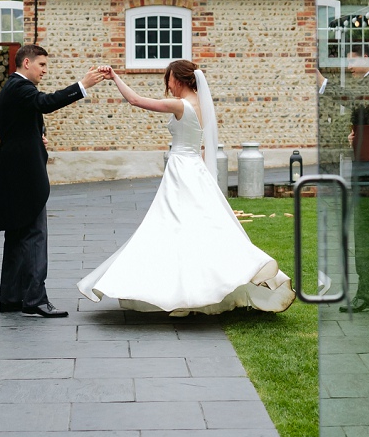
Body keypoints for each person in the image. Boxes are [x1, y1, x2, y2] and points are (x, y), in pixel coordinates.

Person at [79, 59, 295, 316]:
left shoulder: (181, 105)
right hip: (194, 167)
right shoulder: (201, 105)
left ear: (178, 79)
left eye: (168, 79)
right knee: (197, 225)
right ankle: (195, 288)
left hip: (181, 169)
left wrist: (115, 77)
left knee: (171, 224)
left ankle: (183, 291)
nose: (168, 85)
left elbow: (136, 100)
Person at [0, 44, 108, 317]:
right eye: (42, 65)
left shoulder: (13, 87)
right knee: (34, 235)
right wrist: (82, 85)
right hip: (24, 176)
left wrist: (36, 138)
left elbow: (19, 126)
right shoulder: (21, 87)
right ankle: (34, 300)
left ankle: (11, 298)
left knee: (17, 236)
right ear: (27, 62)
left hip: (13, 171)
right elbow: (45, 102)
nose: (45, 70)